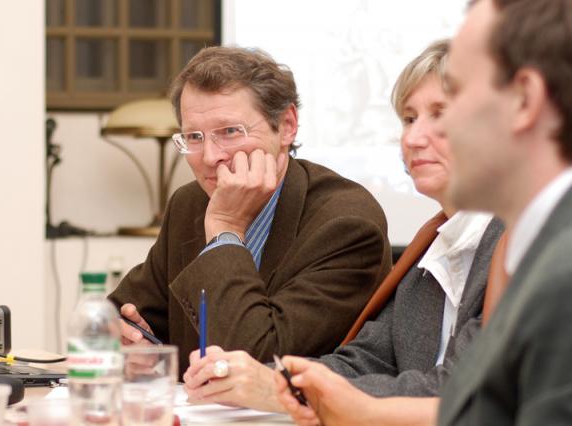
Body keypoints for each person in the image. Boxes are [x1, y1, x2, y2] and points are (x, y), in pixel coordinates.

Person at [277, 0, 572, 425]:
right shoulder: (531, 245)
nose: (416, 138)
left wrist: (363, 411)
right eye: (409, 118)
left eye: (455, 97)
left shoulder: (559, 267)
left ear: (525, 99)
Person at [183, 40, 504, 411]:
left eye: (440, 115)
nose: (413, 138)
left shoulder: (524, 243)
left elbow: (466, 389)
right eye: (409, 119)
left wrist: (277, 389)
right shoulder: (432, 249)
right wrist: (275, 381)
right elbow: (366, 360)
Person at [108, 46, 392, 375]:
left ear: (286, 126)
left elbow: (255, 362)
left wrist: (225, 229)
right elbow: (120, 314)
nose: (210, 157)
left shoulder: (347, 223)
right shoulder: (189, 204)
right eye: (194, 137)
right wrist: (131, 340)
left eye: (230, 132)